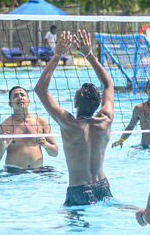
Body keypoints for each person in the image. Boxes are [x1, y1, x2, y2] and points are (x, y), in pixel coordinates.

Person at [34, 29, 114, 206]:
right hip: (103, 187)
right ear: (97, 104)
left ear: (75, 103)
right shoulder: (105, 120)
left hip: (79, 190)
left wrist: (57, 55)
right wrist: (89, 55)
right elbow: (108, 84)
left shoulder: (68, 124)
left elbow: (40, 89)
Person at [0, 86, 59, 170]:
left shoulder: (40, 122)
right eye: (15, 96)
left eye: (22, 95)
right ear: (10, 104)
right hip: (13, 172)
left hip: (38, 171)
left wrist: (45, 144)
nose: (20, 98)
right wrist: (3, 147)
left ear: (28, 101)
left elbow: (55, 153)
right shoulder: (5, 126)